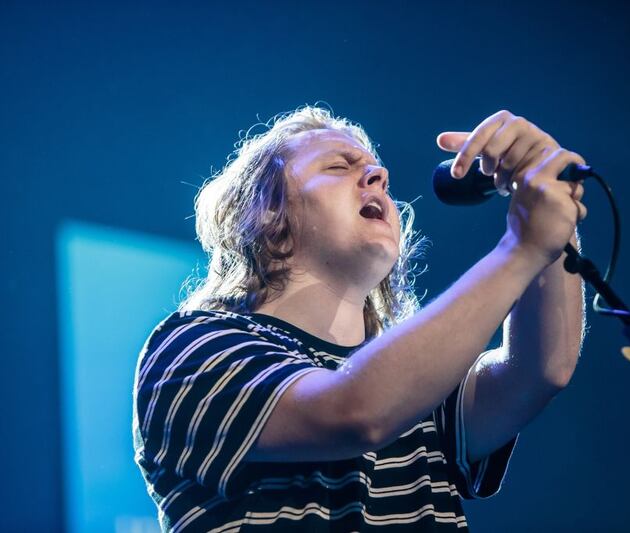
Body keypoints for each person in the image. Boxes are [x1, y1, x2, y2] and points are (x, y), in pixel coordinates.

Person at [133, 106, 587, 532]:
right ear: (268, 209)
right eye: (338, 166)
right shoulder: (192, 347)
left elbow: (542, 368)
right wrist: (521, 249)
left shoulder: (420, 383)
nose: (378, 175)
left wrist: (548, 211)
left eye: (380, 177)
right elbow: (355, 411)